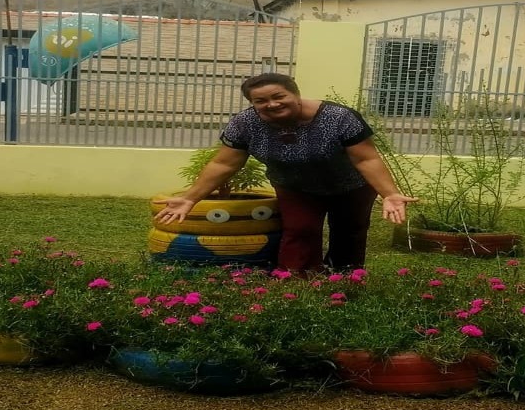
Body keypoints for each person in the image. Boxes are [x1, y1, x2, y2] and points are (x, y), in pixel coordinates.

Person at [154, 73, 416, 274]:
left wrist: (390, 194)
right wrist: (190, 198)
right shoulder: (245, 124)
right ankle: (294, 283)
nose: (272, 104)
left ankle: (344, 279)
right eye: (261, 101)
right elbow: (224, 164)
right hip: (294, 186)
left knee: (350, 232)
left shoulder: (339, 118)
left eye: (279, 96)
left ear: (296, 94)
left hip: (350, 185)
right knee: (299, 230)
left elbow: (366, 158)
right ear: (252, 104)